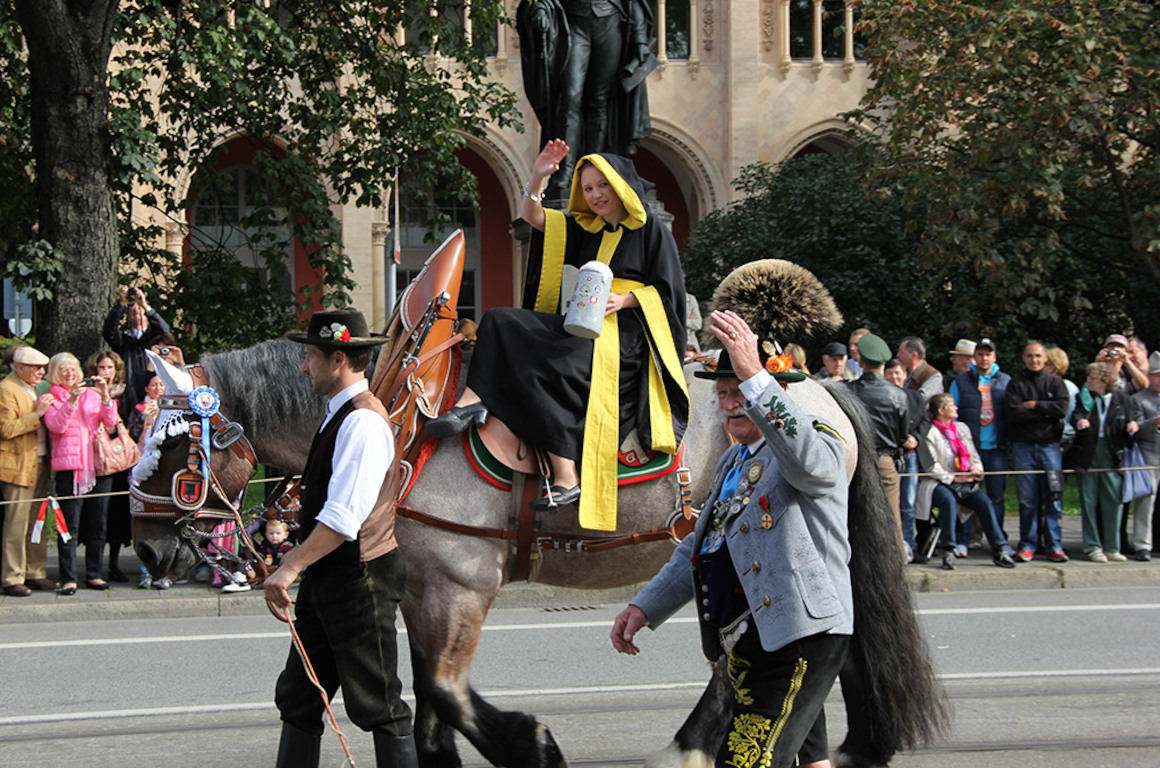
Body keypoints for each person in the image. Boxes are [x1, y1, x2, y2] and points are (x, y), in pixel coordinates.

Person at [611, 309, 851, 768]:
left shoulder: (814, 443)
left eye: (739, 390)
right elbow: (700, 548)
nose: (728, 402)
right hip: (749, 642)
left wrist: (755, 378)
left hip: (797, 636)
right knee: (806, 759)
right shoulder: (735, 459)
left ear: (772, 391)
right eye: (721, 393)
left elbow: (813, 466)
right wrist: (644, 605)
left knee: (746, 762)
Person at [427, 140, 687, 526]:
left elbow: (669, 292)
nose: (595, 195)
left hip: (625, 340)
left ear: (620, 185)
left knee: (539, 364)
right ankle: (471, 402)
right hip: (582, 325)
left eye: (602, 185)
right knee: (498, 319)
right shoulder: (588, 230)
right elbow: (533, 216)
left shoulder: (650, 230)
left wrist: (628, 300)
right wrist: (539, 175)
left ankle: (566, 475)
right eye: (587, 188)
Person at [266, 308, 416, 768]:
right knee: (301, 695)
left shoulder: (363, 422)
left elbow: (342, 519)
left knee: (378, 703)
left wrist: (289, 565)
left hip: (359, 578)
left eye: (310, 355)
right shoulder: (341, 414)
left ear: (338, 360)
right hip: (331, 575)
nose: (303, 365)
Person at [517, 0, 657, 199]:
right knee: (570, 96)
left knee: (599, 102)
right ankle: (565, 172)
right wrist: (539, 8)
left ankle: (595, 170)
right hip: (573, 23)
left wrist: (640, 40)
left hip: (610, 21)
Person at [43, 352, 119, 594]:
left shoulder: (94, 395)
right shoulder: (51, 399)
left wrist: (106, 397)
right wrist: (71, 401)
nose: (70, 374)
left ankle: (94, 574)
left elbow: (110, 423)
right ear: (56, 374)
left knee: (98, 523)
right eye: (64, 370)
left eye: (73, 369)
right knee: (69, 526)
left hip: (98, 466)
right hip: (70, 469)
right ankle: (69, 577)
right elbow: (57, 426)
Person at [916, 394, 1017, 570]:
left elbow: (973, 455)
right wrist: (953, 477)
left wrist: (976, 469)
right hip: (938, 481)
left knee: (984, 502)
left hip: (964, 481)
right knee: (947, 501)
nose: (956, 408)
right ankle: (948, 548)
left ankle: (999, 548)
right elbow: (931, 466)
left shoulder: (961, 429)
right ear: (941, 411)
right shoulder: (929, 432)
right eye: (951, 405)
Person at [1006, 342, 1071, 562]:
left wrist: (1033, 405)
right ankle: (1027, 545)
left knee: (1053, 497)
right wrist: (1045, 412)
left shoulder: (1056, 383)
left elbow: (1061, 409)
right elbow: (1014, 414)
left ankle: (1055, 545)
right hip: (1023, 447)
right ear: (1024, 358)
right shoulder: (1016, 384)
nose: (1034, 360)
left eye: (1038, 356)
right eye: (1030, 356)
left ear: (1045, 359)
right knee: (1027, 500)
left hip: (1050, 447)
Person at [1, 346, 57, 597]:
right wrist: (38, 414)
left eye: (43, 368)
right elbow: (7, 429)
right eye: (36, 368)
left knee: (37, 520)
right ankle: (12, 576)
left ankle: (35, 571)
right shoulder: (6, 389)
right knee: (16, 523)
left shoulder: (33, 387)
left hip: (39, 462)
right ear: (19, 368)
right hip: (18, 466)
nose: (41, 372)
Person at [1071, 361, 1141, 562]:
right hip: (1089, 454)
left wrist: (1132, 426)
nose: (1088, 381)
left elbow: (1131, 419)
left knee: (1114, 501)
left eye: (1092, 378)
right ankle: (1092, 546)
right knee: (1089, 500)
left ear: (1104, 380)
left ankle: (1112, 546)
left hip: (1112, 454)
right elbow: (1076, 414)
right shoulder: (1084, 397)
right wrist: (1079, 422)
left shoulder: (1123, 399)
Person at [847, 334, 909, 546]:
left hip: (856, 461)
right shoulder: (898, 395)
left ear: (860, 362)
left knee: (855, 518)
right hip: (885, 461)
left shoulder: (849, 391)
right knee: (892, 519)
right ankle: (897, 566)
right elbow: (902, 436)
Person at [949, 338, 1011, 542]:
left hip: (997, 448)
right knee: (967, 496)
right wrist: (958, 445)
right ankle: (964, 540)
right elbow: (953, 416)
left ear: (994, 357)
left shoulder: (1006, 381)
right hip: (969, 449)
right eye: (980, 354)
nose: (984, 358)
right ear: (974, 357)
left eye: (988, 354)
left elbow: (1011, 414)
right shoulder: (960, 381)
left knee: (996, 497)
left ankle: (996, 539)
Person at [86, 349, 134, 583]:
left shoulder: (124, 393)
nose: (105, 372)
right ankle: (92, 568)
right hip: (94, 459)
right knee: (96, 515)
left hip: (118, 460)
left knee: (117, 514)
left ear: (117, 371)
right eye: (101, 368)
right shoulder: (87, 393)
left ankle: (114, 564)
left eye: (109, 368)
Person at [102, 286, 170, 417]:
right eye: (133, 313)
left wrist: (145, 305)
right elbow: (108, 332)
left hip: (152, 388)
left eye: (141, 312)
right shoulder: (123, 340)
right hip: (129, 390)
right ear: (128, 317)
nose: (137, 315)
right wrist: (121, 304)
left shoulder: (153, 338)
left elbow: (165, 332)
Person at [884, 357, 925, 561]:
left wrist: (915, 438)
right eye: (890, 374)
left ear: (905, 375)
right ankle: (893, 543)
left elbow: (923, 422)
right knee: (892, 502)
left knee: (908, 502)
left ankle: (909, 541)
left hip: (911, 455)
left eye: (898, 373)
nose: (894, 377)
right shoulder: (883, 397)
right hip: (891, 455)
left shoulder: (916, 397)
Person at [1129, 352, 1160, 561]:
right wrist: (1155, 422)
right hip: (1150, 457)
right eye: (1157, 375)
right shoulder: (1139, 399)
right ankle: (1142, 544)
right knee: (1146, 504)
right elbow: (1136, 429)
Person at [897, 336, 944, 400]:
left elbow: (921, 399)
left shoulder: (933, 376)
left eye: (901, 352)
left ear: (914, 355)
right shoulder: (901, 373)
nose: (898, 355)